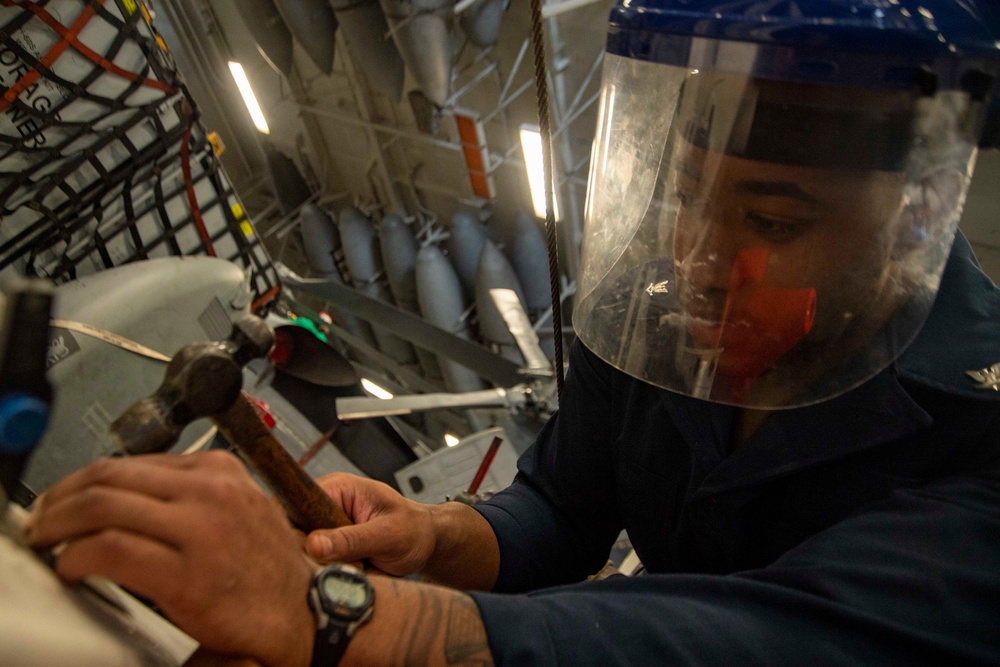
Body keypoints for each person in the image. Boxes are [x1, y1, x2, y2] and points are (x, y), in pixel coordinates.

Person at [24, 1, 1000, 665]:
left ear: (913, 217)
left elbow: (757, 639)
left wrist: (340, 615)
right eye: (684, 195)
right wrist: (438, 537)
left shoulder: (979, 450)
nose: (697, 257)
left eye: (773, 222)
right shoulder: (662, 305)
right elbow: (563, 505)